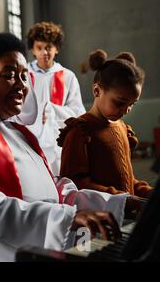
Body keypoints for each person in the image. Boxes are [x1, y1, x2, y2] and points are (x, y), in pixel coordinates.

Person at [0, 32, 144, 262]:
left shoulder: (16, 132)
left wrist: (118, 204)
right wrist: (64, 220)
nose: (22, 85)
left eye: (24, 76)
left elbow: (52, 193)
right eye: (10, 74)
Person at [57, 49, 153, 199]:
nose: (126, 110)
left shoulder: (121, 128)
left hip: (125, 214)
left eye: (132, 104)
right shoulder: (80, 131)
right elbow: (75, 184)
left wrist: (146, 192)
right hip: (98, 218)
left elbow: (126, 180)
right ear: (97, 90)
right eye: (119, 103)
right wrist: (121, 199)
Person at [26, 22, 85, 176]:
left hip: (58, 143)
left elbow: (78, 112)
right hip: (28, 141)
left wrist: (51, 110)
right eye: (39, 48)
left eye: (49, 47)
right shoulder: (23, 74)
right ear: (32, 49)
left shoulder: (67, 76)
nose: (44, 52)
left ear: (56, 48)